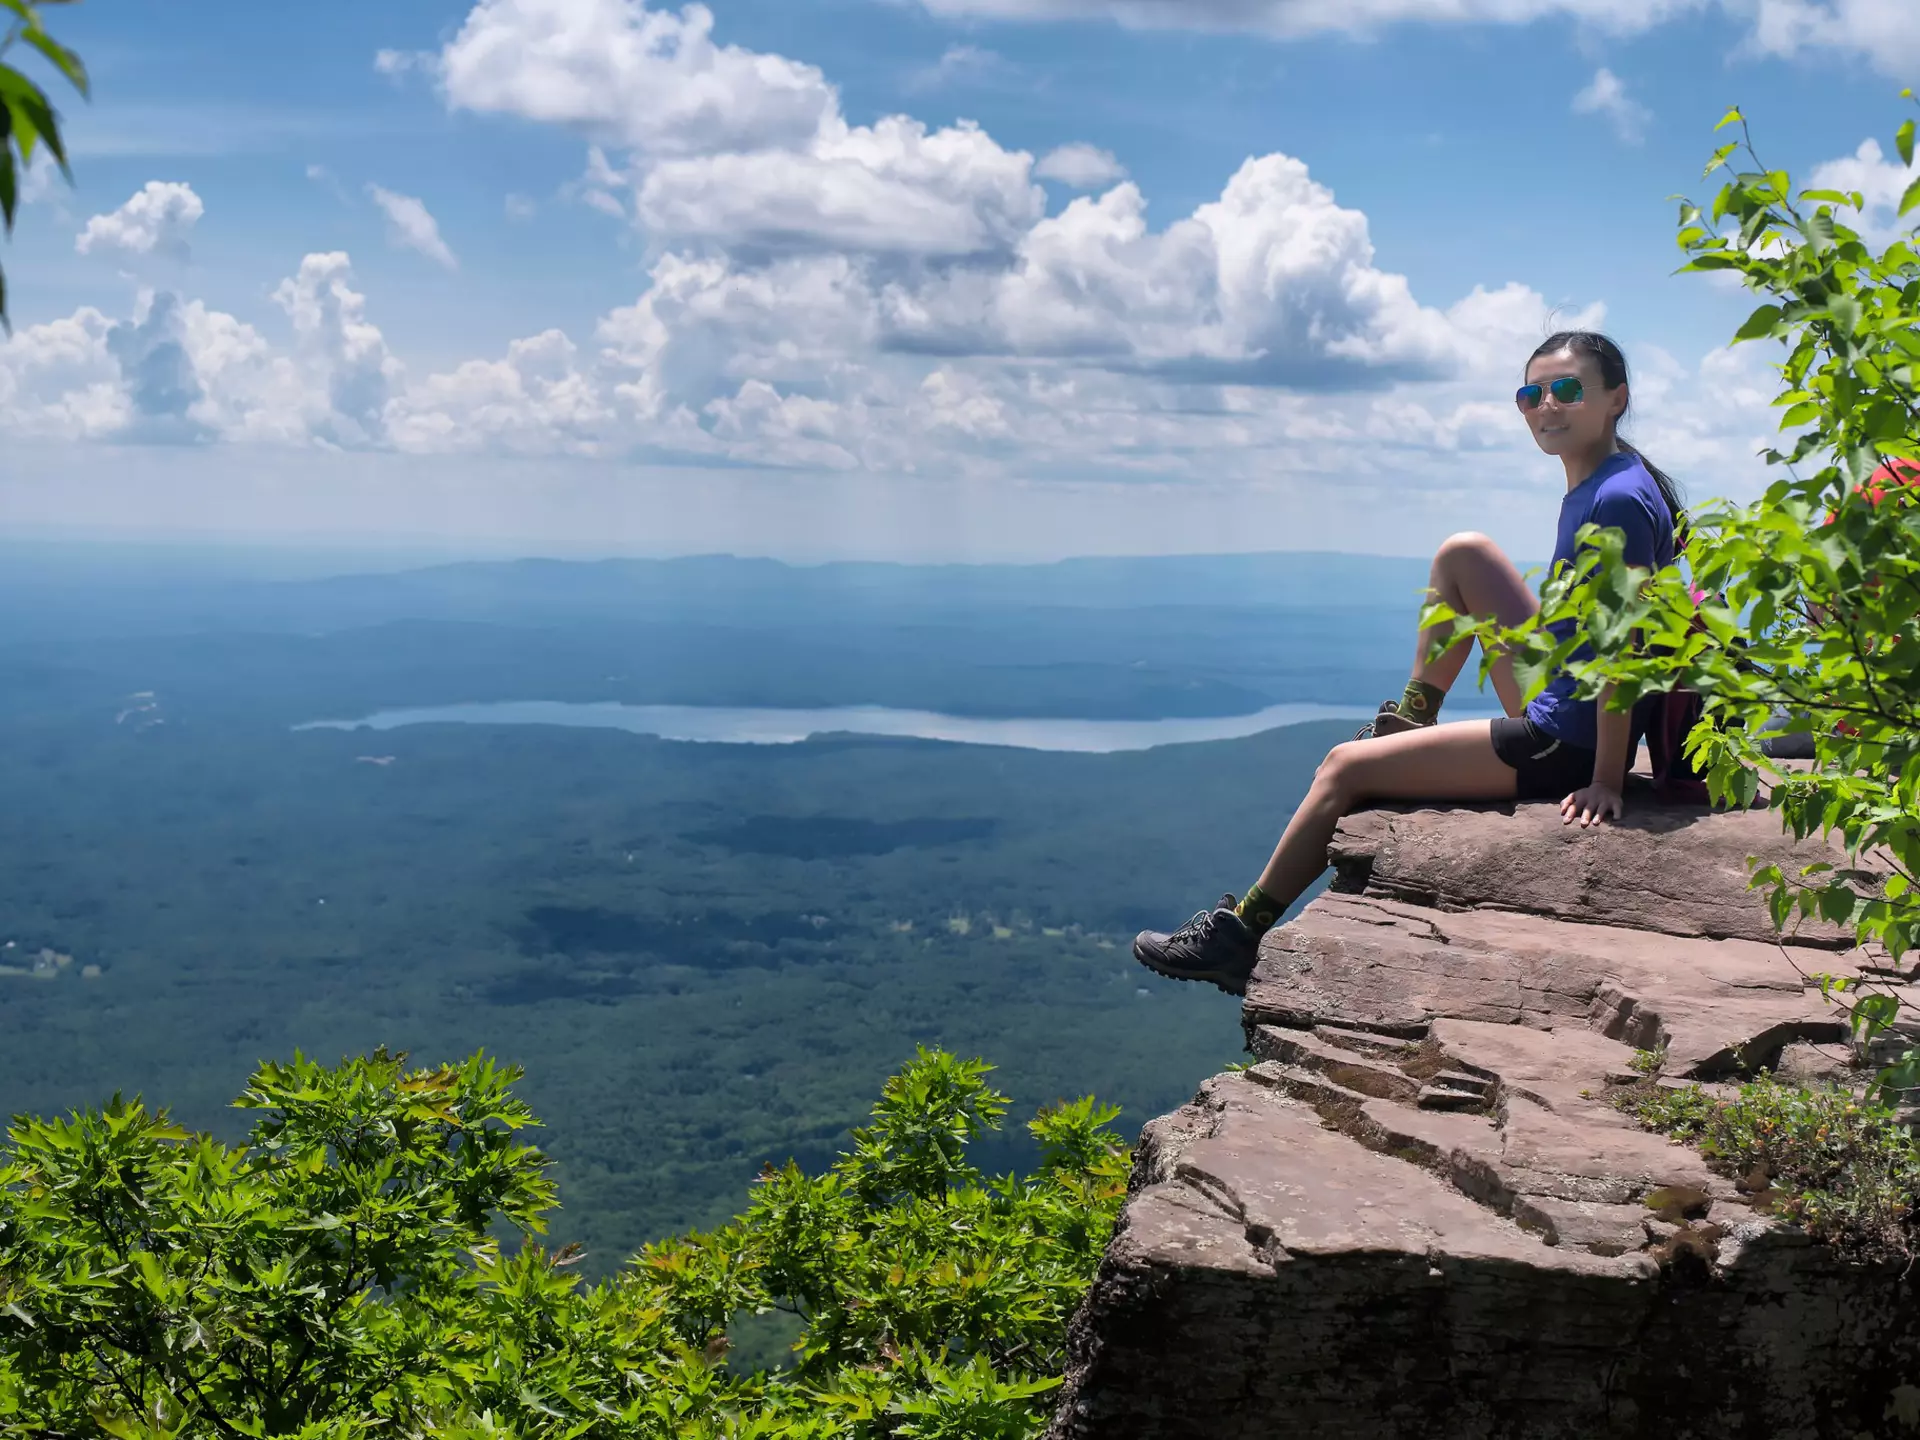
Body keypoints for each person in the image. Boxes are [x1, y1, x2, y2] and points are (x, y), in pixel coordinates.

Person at [1133, 330, 1685, 993]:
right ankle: (1412, 721)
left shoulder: (1616, 498)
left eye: (1567, 390)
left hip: (1564, 739)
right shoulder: (1613, 477)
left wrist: (1605, 779)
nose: (1547, 407)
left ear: (1615, 399)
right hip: (1565, 697)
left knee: (1343, 769)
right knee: (1465, 554)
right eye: (1530, 394)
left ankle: (1239, 933)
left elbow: (1624, 647)